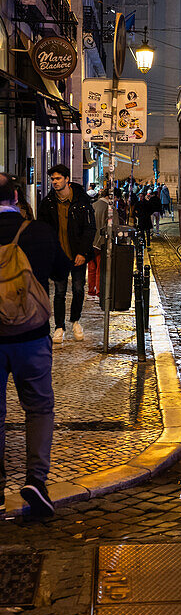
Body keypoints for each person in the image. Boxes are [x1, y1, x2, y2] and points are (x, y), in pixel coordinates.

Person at [0, 173, 69, 517]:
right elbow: (61, 271)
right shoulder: (38, 231)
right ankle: (36, 481)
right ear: (16, 196)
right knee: (39, 409)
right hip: (31, 336)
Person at [38, 164, 96, 343]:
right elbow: (43, 229)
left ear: (67, 179)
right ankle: (59, 327)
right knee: (59, 292)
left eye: (58, 179)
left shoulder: (81, 201)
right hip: (59, 256)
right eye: (53, 179)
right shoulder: (48, 203)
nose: (54, 182)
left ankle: (75, 321)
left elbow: (90, 228)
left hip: (77, 254)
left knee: (78, 289)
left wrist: (83, 253)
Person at [88, 190, 120, 297]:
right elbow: (115, 227)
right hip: (102, 241)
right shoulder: (110, 208)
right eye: (116, 198)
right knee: (100, 268)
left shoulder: (93, 205)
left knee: (91, 267)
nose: (116, 201)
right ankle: (99, 290)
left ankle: (91, 289)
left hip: (90, 241)